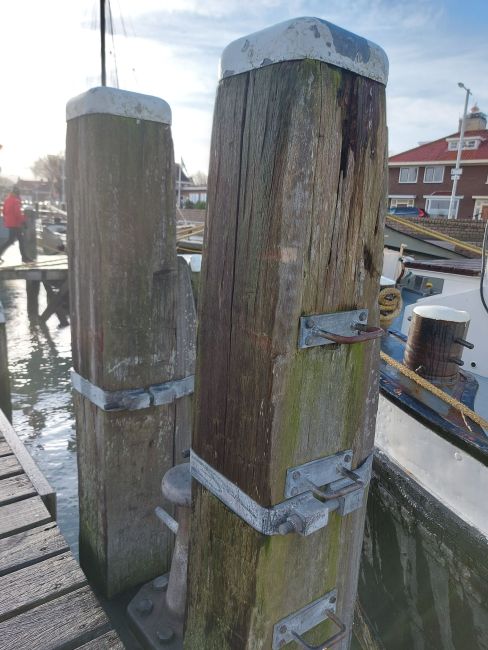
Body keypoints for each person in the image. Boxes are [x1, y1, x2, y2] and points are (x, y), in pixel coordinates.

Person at [0, 186, 33, 263]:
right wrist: (24, 221)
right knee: (17, 240)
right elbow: (17, 213)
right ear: (17, 193)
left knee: (14, 240)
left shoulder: (7, 200)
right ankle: (24, 258)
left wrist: (7, 220)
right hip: (15, 224)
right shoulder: (16, 201)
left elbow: (4, 212)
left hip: (10, 223)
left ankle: (24, 257)